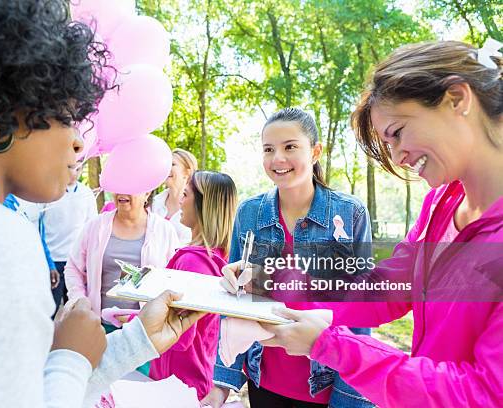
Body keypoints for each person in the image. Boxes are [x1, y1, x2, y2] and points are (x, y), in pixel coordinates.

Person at [0, 1, 204, 406]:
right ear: (3, 111)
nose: (78, 140)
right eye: (68, 114)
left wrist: (132, 343)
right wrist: (70, 358)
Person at [228, 41, 503, 407]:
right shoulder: (441, 204)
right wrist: (268, 280)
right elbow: (385, 287)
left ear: (457, 99)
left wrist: (332, 346)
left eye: (398, 132)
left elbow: (485, 393)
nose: (398, 157)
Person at [203, 108, 374, 408]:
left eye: (290, 147)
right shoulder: (250, 213)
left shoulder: (350, 214)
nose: (277, 159)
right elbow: (235, 304)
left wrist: (348, 399)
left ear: (316, 151)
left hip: (327, 388)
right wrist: (221, 383)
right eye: (269, 149)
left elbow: (360, 313)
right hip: (264, 383)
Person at [149, 170, 238, 399]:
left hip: (176, 384)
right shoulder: (220, 258)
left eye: (185, 194)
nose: (179, 200)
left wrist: (131, 319)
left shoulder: (192, 262)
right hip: (197, 377)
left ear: (202, 206)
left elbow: (179, 334)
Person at [64, 191, 179, 318]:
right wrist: (79, 298)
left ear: (147, 192)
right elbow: (73, 267)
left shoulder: (164, 230)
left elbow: (173, 277)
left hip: (146, 328)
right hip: (100, 326)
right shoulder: (96, 226)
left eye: (130, 187)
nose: (122, 192)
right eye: (118, 185)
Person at [41, 162, 97, 313]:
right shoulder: (48, 191)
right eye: (71, 168)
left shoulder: (86, 194)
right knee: (49, 309)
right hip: (52, 260)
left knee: (74, 309)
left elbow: (91, 227)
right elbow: (40, 225)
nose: (74, 173)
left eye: (78, 168)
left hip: (76, 260)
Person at [3, 194, 61, 292]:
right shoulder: (5, 202)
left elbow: (40, 236)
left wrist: (50, 264)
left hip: (37, 268)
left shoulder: (36, 200)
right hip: (18, 271)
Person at [151, 148, 199, 244]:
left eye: (172, 164)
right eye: (166, 165)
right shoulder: (154, 202)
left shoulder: (196, 207)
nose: (167, 168)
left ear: (187, 173)